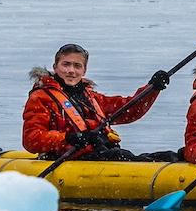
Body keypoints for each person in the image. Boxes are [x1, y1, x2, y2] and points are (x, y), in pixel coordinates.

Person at [21, 44, 171, 160]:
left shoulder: (90, 97)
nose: (71, 70)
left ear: (84, 70)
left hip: (102, 154)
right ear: (55, 67)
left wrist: (152, 89)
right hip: (69, 160)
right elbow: (31, 139)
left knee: (168, 156)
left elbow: (129, 110)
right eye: (66, 64)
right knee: (121, 156)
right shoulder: (41, 98)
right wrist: (70, 138)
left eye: (77, 66)